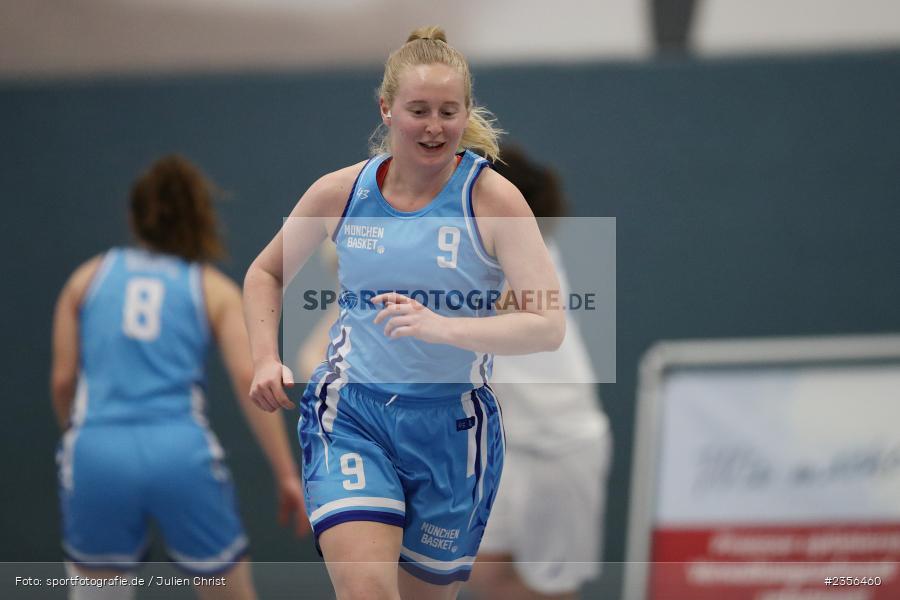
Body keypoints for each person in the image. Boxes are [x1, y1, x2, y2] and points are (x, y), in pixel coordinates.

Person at [243, 26, 565, 600]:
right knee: (367, 591)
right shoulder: (340, 194)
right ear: (387, 109)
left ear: (467, 113)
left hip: (452, 427)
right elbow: (264, 273)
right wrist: (264, 357)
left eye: (449, 111)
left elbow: (547, 324)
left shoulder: (492, 200)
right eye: (419, 110)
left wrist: (445, 327)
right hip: (354, 414)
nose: (435, 126)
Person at [50, 155, 310, 600]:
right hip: (179, 452)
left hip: (97, 449)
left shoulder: (86, 278)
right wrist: (288, 474)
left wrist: (79, 435)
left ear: (134, 217)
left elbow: (63, 379)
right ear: (199, 217)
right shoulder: (211, 288)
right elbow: (253, 380)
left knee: (98, 593)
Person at [466, 145, 612, 600]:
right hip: (502, 447)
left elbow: (488, 301)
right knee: (481, 572)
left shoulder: (522, 248)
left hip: (561, 446)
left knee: (550, 588)